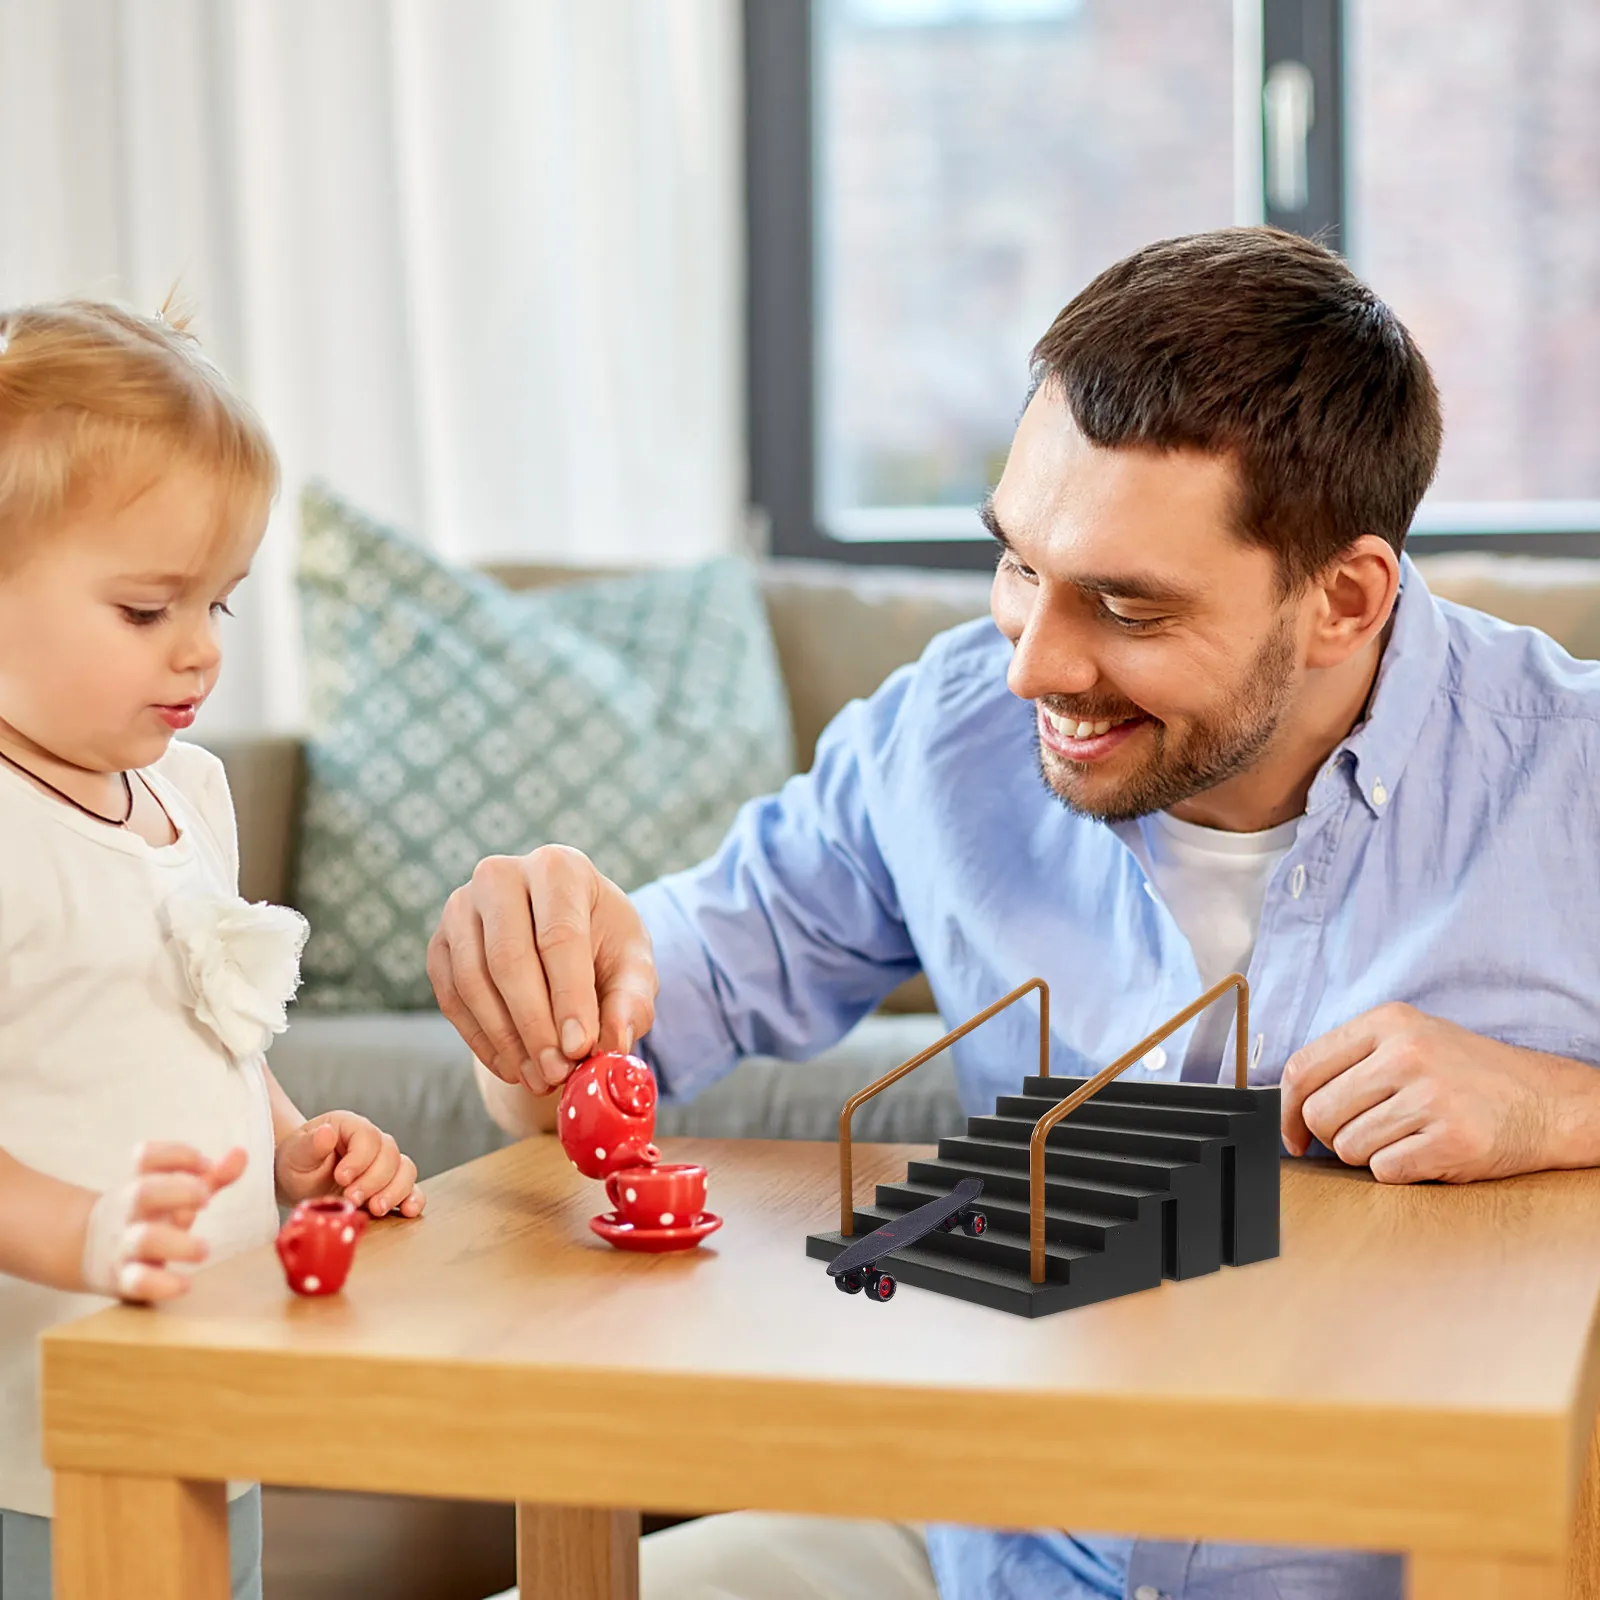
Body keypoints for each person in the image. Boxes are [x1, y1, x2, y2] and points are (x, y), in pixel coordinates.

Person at [429, 228, 1600, 1599]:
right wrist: (539, 990)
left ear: (1343, 599)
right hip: (1004, 1554)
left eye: (1126, 605)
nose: (1035, 662)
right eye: (1018, 565)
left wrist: (1567, 1112)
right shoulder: (941, 737)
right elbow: (604, 1056)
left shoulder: (1567, 770)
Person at [0, 299, 426, 1600]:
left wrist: (292, 1144)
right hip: (39, 1431)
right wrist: (85, 1234)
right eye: (145, 609)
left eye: (220, 603)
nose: (199, 650)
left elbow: (207, 1025)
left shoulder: (191, 793)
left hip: (207, 1385)